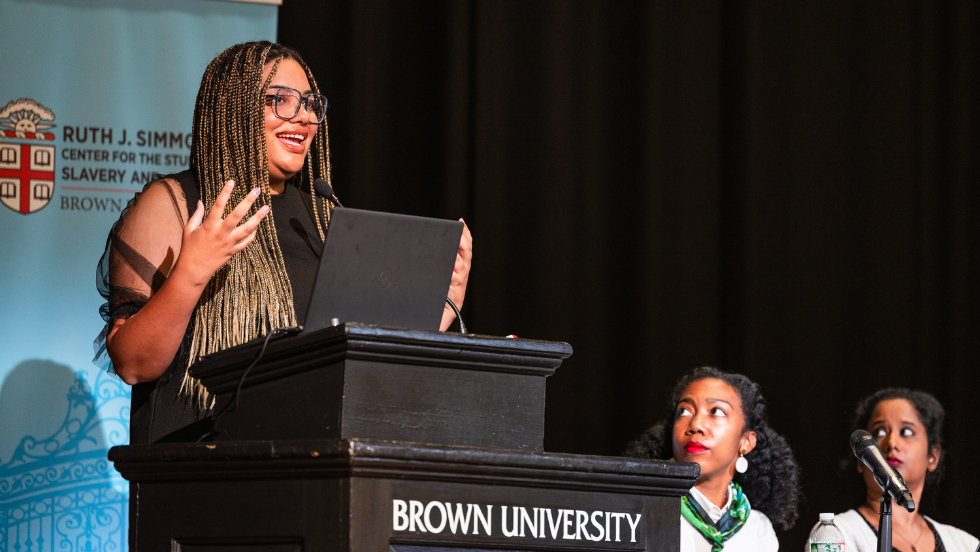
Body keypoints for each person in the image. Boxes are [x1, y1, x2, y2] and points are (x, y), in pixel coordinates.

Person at [94, 41, 473, 444]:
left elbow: (359, 368)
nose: (305, 118)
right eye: (281, 100)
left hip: (301, 467)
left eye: (311, 103)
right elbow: (134, 364)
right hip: (194, 469)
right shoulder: (176, 204)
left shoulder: (320, 217)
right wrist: (192, 271)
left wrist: (439, 310)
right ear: (234, 108)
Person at [625, 366, 801, 552]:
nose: (695, 424)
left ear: (746, 442)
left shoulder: (758, 529)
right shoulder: (640, 513)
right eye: (684, 411)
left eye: (716, 411)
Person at [806, 389, 978, 552]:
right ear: (860, 459)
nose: (892, 442)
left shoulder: (965, 544)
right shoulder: (834, 534)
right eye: (879, 431)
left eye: (906, 431)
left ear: (932, 457)